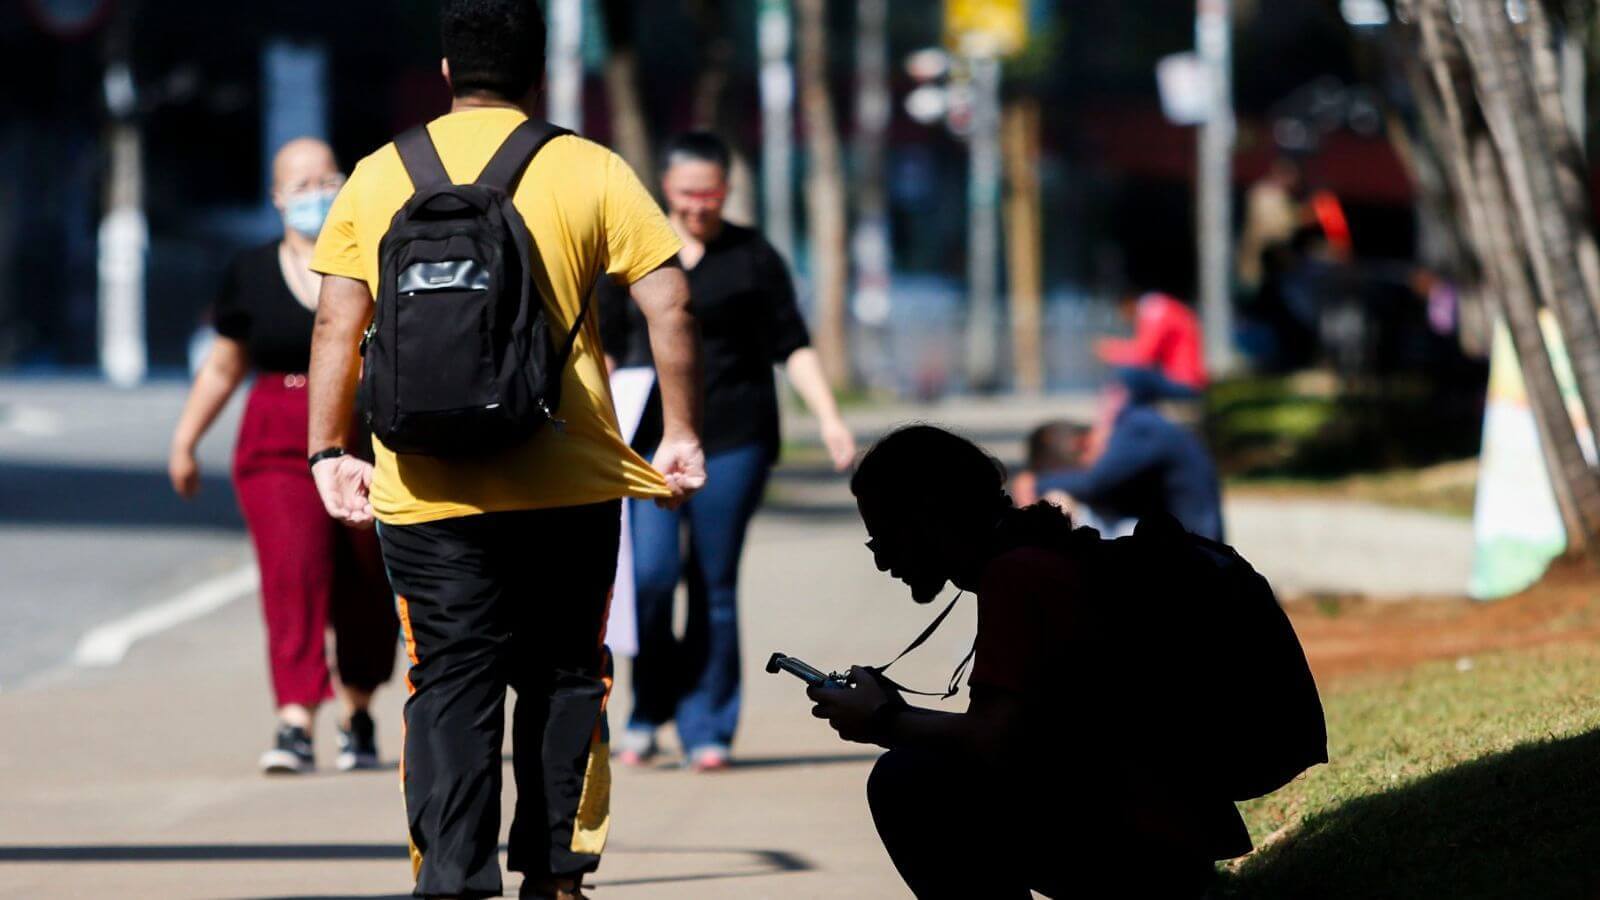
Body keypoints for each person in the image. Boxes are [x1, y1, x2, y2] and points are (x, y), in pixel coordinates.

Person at [304, 2, 706, 898]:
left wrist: (328, 450)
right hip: (567, 478)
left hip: (425, 485)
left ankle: (452, 878)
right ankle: (557, 878)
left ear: (449, 72)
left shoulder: (377, 176)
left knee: (448, 680)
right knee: (567, 676)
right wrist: (678, 432)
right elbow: (670, 304)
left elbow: (337, 318)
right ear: (538, 78)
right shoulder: (590, 168)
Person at [807, 426, 1251, 899]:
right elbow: (1019, 732)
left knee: (907, 783)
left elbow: (995, 739)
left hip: (1143, 849)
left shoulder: (1017, 576)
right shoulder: (1037, 554)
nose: (882, 564)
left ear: (928, 517)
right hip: (1165, 837)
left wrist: (886, 719)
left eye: (884, 541)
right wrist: (896, 717)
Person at [598, 131, 857, 772]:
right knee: (651, 580)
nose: (698, 206)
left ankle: (708, 723)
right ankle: (647, 709)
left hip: (735, 438)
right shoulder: (633, 248)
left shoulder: (752, 257)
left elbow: (790, 344)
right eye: (687, 194)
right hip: (649, 444)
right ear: (666, 189)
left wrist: (829, 418)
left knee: (712, 583)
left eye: (711, 193)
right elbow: (602, 347)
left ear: (727, 190)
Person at [168, 137, 397, 776]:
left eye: (327, 180)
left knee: (367, 576)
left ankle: (358, 708)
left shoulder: (374, 258)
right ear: (276, 198)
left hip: (364, 430)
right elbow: (222, 365)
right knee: (294, 570)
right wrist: (186, 441)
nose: (315, 196)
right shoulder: (249, 270)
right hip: (276, 437)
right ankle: (295, 715)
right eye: (300, 186)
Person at [1017, 400, 1224, 542]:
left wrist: (1036, 484)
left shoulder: (1137, 431)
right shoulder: (1136, 433)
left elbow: (1094, 483)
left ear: (1082, 444)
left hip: (1198, 561)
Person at [1095, 290, 1208, 405]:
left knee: (1128, 374)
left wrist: (1110, 351)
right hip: (1181, 380)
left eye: (1123, 313)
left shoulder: (1154, 310)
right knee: (1132, 382)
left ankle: (1132, 419)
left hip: (1184, 383)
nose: (1125, 319)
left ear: (1128, 304)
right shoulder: (1161, 308)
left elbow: (1143, 355)